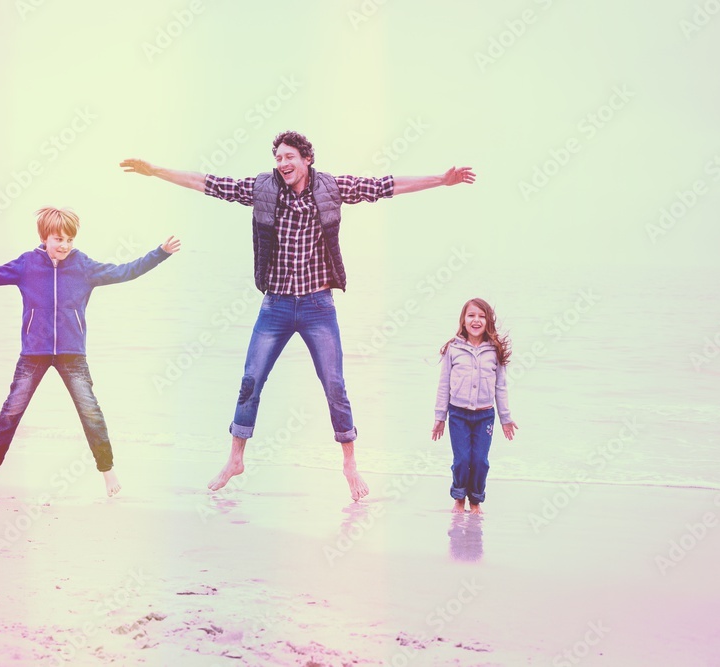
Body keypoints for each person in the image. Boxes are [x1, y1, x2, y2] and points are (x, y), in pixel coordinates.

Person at [120, 130, 476, 501]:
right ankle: (236, 459)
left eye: (290, 157)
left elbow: (385, 185)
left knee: (334, 384)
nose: (282, 163)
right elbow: (208, 183)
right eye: (278, 158)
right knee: (250, 380)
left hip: (317, 306)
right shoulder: (262, 189)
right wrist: (155, 171)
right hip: (275, 305)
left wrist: (442, 180)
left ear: (307, 159)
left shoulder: (332, 187)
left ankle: (350, 463)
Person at [0, 207, 181, 497]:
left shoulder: (83, 266)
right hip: (34, 353)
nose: (64, 245)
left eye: (69, 240)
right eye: (59, 238)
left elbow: (125, 271)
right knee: (11, 411)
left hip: (72, 354)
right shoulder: (27, 264)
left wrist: (159, 252)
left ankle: (108, 472)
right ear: (44, 237)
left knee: (91, 412)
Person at [432, 298, 517, 514]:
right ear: (463, 320)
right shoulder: (453, 349)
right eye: (471, 315)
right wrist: (440, 417)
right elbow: (443, 385)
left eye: (481, 316)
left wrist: (505, 418)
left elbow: (500, 387)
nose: (476, 320)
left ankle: (476, 501)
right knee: (461, 460)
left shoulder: (494, 351)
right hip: (458, 415)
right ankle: (459, 499)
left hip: (485, 416)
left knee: (479, 461)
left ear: (488, 321)